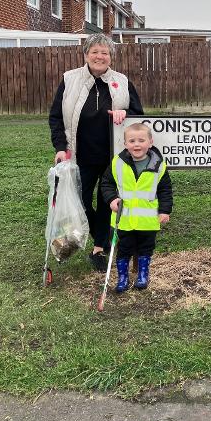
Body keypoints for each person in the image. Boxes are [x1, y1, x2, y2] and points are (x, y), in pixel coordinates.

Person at [49, 33, 144, 272]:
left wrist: (127, 115)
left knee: (106, 201)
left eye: (105, 53)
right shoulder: (69, 80)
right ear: (86, 55)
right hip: (79, 154)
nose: (99, 56)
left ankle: (99, 247)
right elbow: (56, 117)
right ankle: (98, 230)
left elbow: (138, 116)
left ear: (111, 57)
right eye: (95, 52)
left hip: (112, 157)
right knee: (80, 201)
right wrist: (61, 147)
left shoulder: (121, 81)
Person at [101, 123, 173, 292]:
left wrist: (164, 210)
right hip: (123, 219)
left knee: (145, 249)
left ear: (150, 142)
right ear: (125, 144)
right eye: (132, 141)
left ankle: (142, 274)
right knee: (124, 248)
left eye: (141, 140)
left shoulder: (159, 166)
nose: (137, 144)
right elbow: (106, 184)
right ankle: (123, 278)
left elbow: (165, 190)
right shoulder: (117, 163)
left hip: (148, 220)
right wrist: (111, 199)